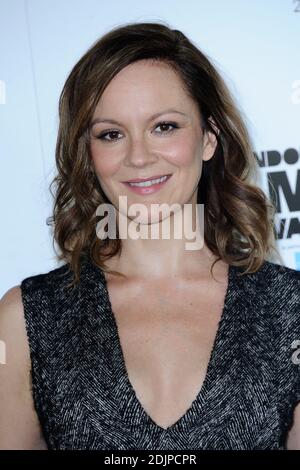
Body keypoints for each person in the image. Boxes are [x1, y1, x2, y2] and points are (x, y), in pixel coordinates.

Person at [0, 21, 299, 450]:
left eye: (164, 127)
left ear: (209, 138)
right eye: (111, 134)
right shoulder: (24, 322)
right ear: (88, 151)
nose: (139, 157)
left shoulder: (288, 308)